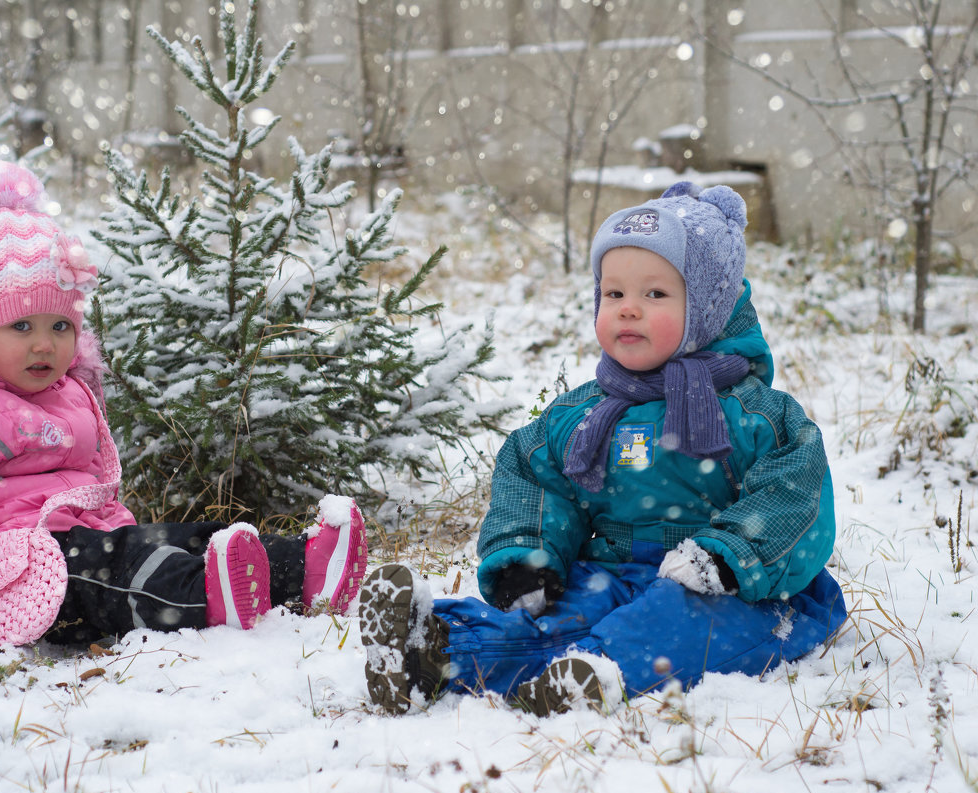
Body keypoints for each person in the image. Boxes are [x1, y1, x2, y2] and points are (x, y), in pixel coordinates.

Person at [0, 159, 368, 654]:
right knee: (123, 570)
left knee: (182, 538)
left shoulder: (65, 392)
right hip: (16, 572)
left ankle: (304, 569)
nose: (45, 344)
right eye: (21, 326)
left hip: (90, 544)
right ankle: (211, 597)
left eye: (60, 326)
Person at [358, 182, 846, 715]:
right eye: (614, 294)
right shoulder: (586, 412)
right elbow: (533, 472)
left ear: (709, 307)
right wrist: (529, 558)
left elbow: (795, 494)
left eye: (655, 294)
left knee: (677, 624)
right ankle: (436, 651)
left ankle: (596, 672)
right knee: (559, 616)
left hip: (738, 592)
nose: (628, 310)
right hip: (613, 573)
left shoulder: (757, 415)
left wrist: (729, 557)